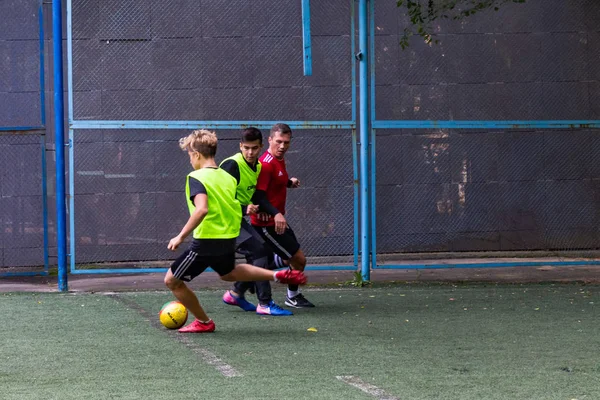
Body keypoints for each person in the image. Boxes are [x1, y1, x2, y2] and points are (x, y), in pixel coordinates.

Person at [163, 129, 306, 333]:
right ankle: (275, 275)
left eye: (189, 155)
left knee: (171, 281)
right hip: (228, 238)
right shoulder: (227, 177)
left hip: (206, 240)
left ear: (196, 154)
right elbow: (233, 207)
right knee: (229, 273)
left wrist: (180, 236)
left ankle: (204, 322)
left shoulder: (196, 177)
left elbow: (202, 208)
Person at [220, 127, 293, 316]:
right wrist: (245, 208)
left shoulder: (257, 166)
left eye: (254, 148)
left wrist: (274, 212)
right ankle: (265, 303)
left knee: (261, 253)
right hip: (220, 222)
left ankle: (236, 293)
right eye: (246, 148)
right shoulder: (232, 165)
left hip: (233, 219)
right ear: (240, 146)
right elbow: (218, 198)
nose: (250, 152)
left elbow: (258, 196)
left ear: (261, 146)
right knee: (259, 252)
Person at [250, 123, 314, 308]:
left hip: (276, 220)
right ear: (269, 140)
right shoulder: (266, 164)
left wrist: (288, 182)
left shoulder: (278, 160)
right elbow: (257, 194)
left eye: (286, 142)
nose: (282, 146)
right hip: (268, 224)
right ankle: (292, 296)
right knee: (298, 260)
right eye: (278, 141)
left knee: (289, 258)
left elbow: (276, 179)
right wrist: (273, 213)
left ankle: (243, 281)